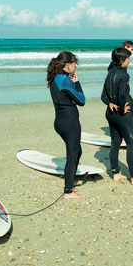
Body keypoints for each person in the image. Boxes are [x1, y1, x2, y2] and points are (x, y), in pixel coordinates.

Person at [101, 47, 133, 184]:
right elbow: (122, 95)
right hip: (121, 115)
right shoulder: (123, 75)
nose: (129, 61)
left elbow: (103, 96)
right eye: (128, 59)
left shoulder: (109, 74)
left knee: (115, 143)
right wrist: (123, 109)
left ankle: (116, 173)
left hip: (110, 113)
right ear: (122, 60)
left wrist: (109, 103)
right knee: (132, 142)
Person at [47, 51, 86, 199]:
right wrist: (77, 83)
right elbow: (81, 100)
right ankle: (68, 191)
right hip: (69, 122)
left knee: (77, 152)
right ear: (69, 64)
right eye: (75, 64)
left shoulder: (55, 78)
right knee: (73, 154)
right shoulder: (66, 81)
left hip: (60, 121)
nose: (76, 66)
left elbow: (70, 98)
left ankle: (70, 184)